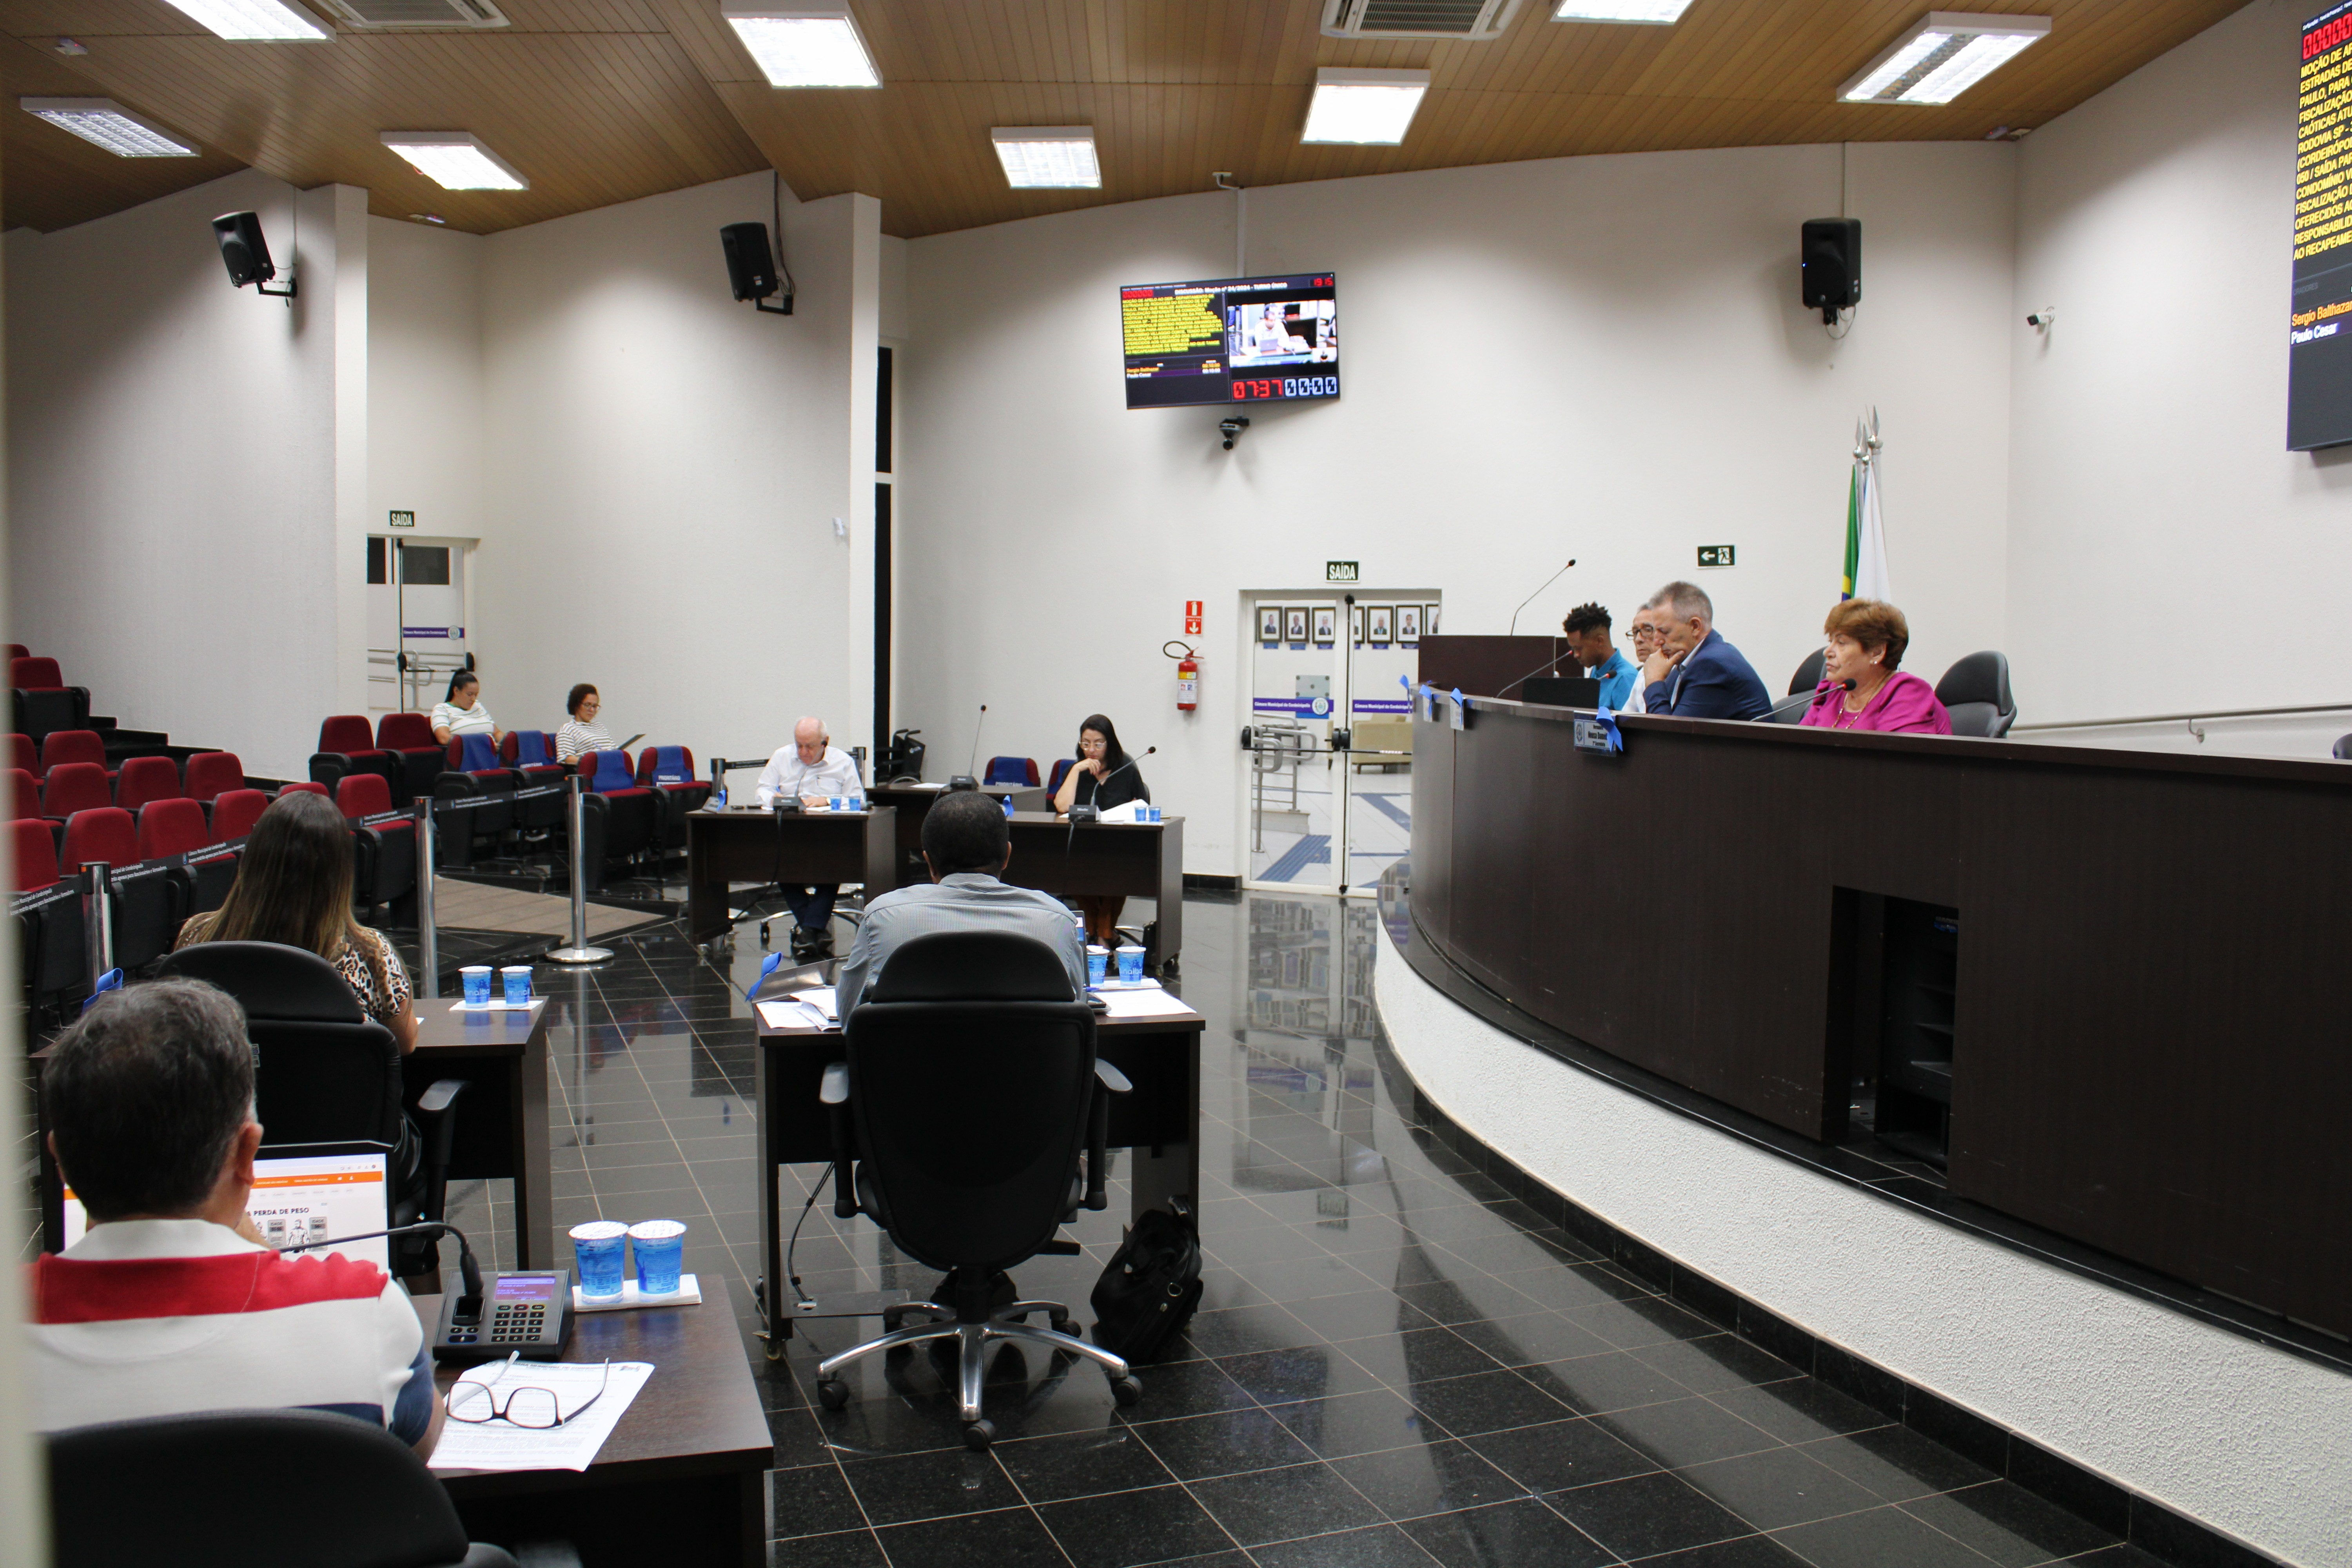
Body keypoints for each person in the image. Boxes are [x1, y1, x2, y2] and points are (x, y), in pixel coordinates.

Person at [26, 978, 445, 1455]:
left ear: (60, 1159)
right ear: (248, 1152)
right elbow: (421, 1450)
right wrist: (261, 1253)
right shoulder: (363, 1309)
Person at [175, 789, 419, 1054]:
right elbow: (404, 1044)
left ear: (254, 855)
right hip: (330, 1082)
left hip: (228, 1081)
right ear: (340, 869)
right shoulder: (370, 952)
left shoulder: (197, 935)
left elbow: (177, 1028)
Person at [834, 789, 1087, 1017]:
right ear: (1007, 856)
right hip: (1029, 1056)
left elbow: (849, 1018)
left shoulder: (882, 916)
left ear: (929, 862)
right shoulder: (1057, 919)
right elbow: (1077, 1012)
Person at [755, 717, 865, 960]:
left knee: (832, 866)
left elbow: (858, 800)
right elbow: (762, 789)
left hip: (829, 836)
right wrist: (774, 798)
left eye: (810, 747)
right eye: (799, 746)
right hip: (790, 833)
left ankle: (810, 929)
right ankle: (814, 930)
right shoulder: (782, 757)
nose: (803, 752)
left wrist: (826, 800)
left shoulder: (842, 762)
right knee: (780, 863)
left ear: (825, 742)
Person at [1051, 713, 1149, 946]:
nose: (1091, 750)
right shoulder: (1077, 770)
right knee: (1072, 866)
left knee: (1119, 871)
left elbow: (1142, 804)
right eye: (1085, 744)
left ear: (1110, 743)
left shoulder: (1125, 767)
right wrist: (1076, 770)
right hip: (1083, 844)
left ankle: (1101, 933)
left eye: (1098, 744)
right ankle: (1103, 934)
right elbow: (1061, 806)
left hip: (1119, 844)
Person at [1801, 599, 1953, 734]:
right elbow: (1798, 748)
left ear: (1877, 652)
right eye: (1831, 641)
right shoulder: (1832, 693)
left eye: (1841, 643)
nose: (1827, 652)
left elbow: (1897, 757)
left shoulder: (1907, 695)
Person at [1639, 581, 1771, 720]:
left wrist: (1654, 681)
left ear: (1695, 627)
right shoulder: (1687, 664)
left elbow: (1669, 733)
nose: (1657, 642)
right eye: (1655, 631)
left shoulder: (1712, 666)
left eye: (1664, 631)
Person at [1562, 602, 1639, 711]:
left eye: (1579, 649)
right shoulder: (1597, 670)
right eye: (1573, 649)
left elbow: (1630, 721)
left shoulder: (1625, 678)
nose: (1576, 655)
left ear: (1600, 641)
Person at [430, 670, 504, 750]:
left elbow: (497, 732)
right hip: (469, 753)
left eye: (476, 695)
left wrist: (506, 743)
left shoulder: (478, 706)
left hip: (493, 752)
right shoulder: (442, 709)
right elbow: (444, 738)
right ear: (456, 691)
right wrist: (482, 745)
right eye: (470, 695)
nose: (473, 699)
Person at [555, 682, 612, 768]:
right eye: (587, 705)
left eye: (595, 706)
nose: (592, 710)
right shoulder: (568, 729)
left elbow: (613, 749)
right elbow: (566, 759)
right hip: (593, 771)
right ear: (576, 705)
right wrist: (595, 761)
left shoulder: (600, 727)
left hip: (612, 766)